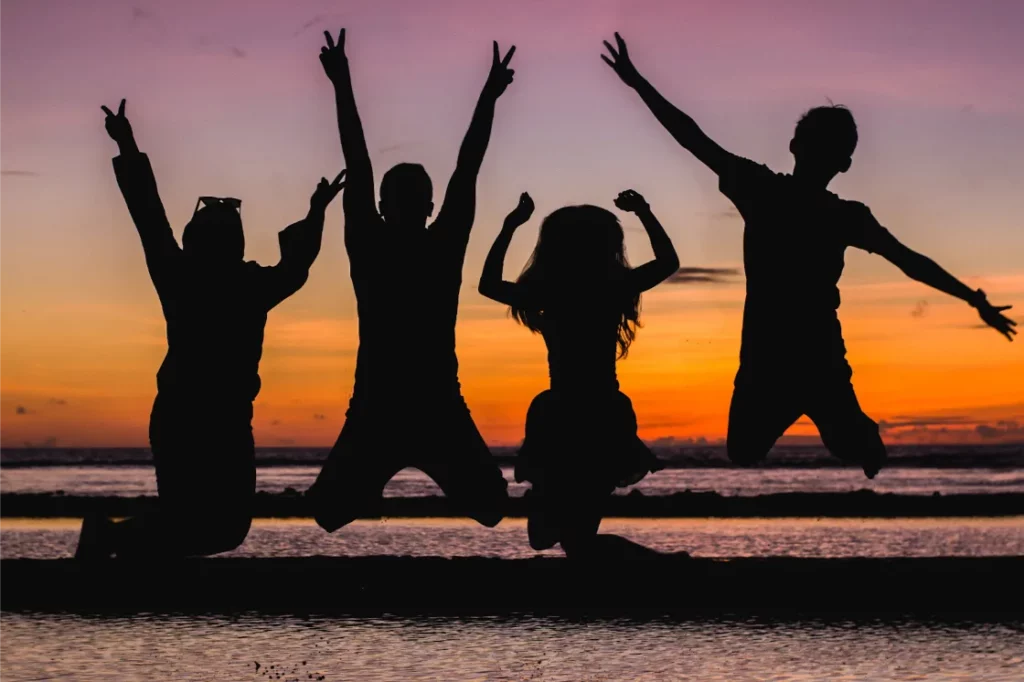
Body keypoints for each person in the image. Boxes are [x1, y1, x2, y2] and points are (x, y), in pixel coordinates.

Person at [601, 33, 1017, 478]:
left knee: (842, 446)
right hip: (765, 356)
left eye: (829, 147)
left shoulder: (837, 213)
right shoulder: (763, 189)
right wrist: (639, 83)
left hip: (818, 355)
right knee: (743, 451)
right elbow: (692, 138)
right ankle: (847, 427)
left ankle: (859, 432)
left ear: (837, 162)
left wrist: (972, 297)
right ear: (799, 148)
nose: (818, 152)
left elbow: (909, 261)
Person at [75, 99, 344, 559]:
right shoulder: (230, 280)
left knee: (218, 528)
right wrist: (316, 211)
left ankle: (112, 539)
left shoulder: (193, 275)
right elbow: (295, 267)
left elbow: (149, 216)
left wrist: (127, 143)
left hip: (213, 419)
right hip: (193, 417)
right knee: (210, 527)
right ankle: (113, 542)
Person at [305, 30, 514, 530]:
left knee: (490, 507)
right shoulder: (428, 243)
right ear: (428, 206)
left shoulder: (384, 243)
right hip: (396, 403)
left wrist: (342, 82)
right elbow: (466, 167)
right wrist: (487, 98)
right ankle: (374, 482)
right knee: (328, 512)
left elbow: (363, 160)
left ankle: (376, 482)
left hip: (422, 402)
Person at [478, 190, 680, 557]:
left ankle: (663, 568)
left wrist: (510, 226)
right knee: (567, 537)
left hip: (566, 414)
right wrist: (644, 212)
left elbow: (488, 284)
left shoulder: (551, 292)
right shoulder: (611, 287)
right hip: (599, 412)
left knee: (567, 540)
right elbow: (668, 262)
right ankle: (661, 569)